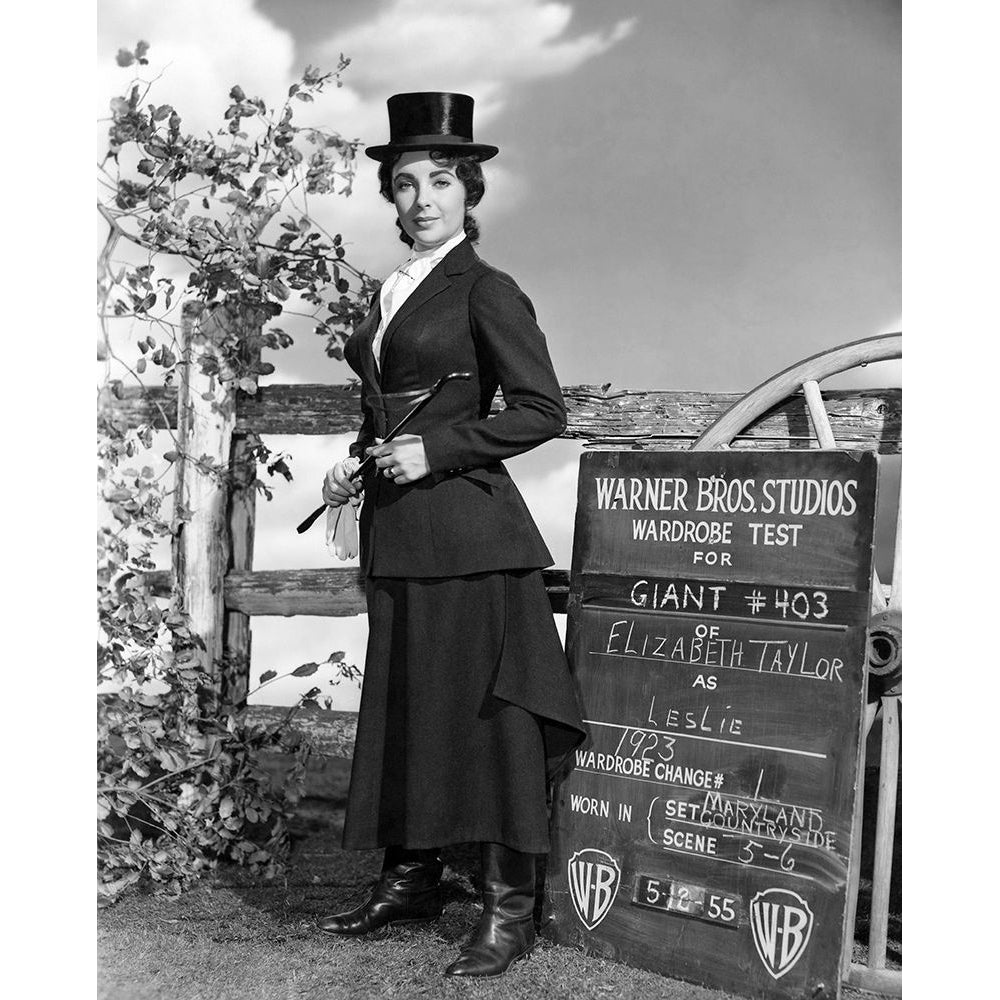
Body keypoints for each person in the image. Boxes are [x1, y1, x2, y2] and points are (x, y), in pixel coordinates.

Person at [317, 92, 586, 978]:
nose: (422, 198)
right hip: (400, 536)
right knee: (407, 704)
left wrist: (435, 451)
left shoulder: (487, 289)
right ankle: (412, 879)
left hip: (474, 539)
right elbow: (388, 412)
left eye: (441, 180)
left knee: (492, 721)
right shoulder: (389, 294)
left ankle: (511, 909)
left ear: (470, 192)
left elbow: (543, 410)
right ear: (389, 198)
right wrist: (355, 461)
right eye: (405, 184)